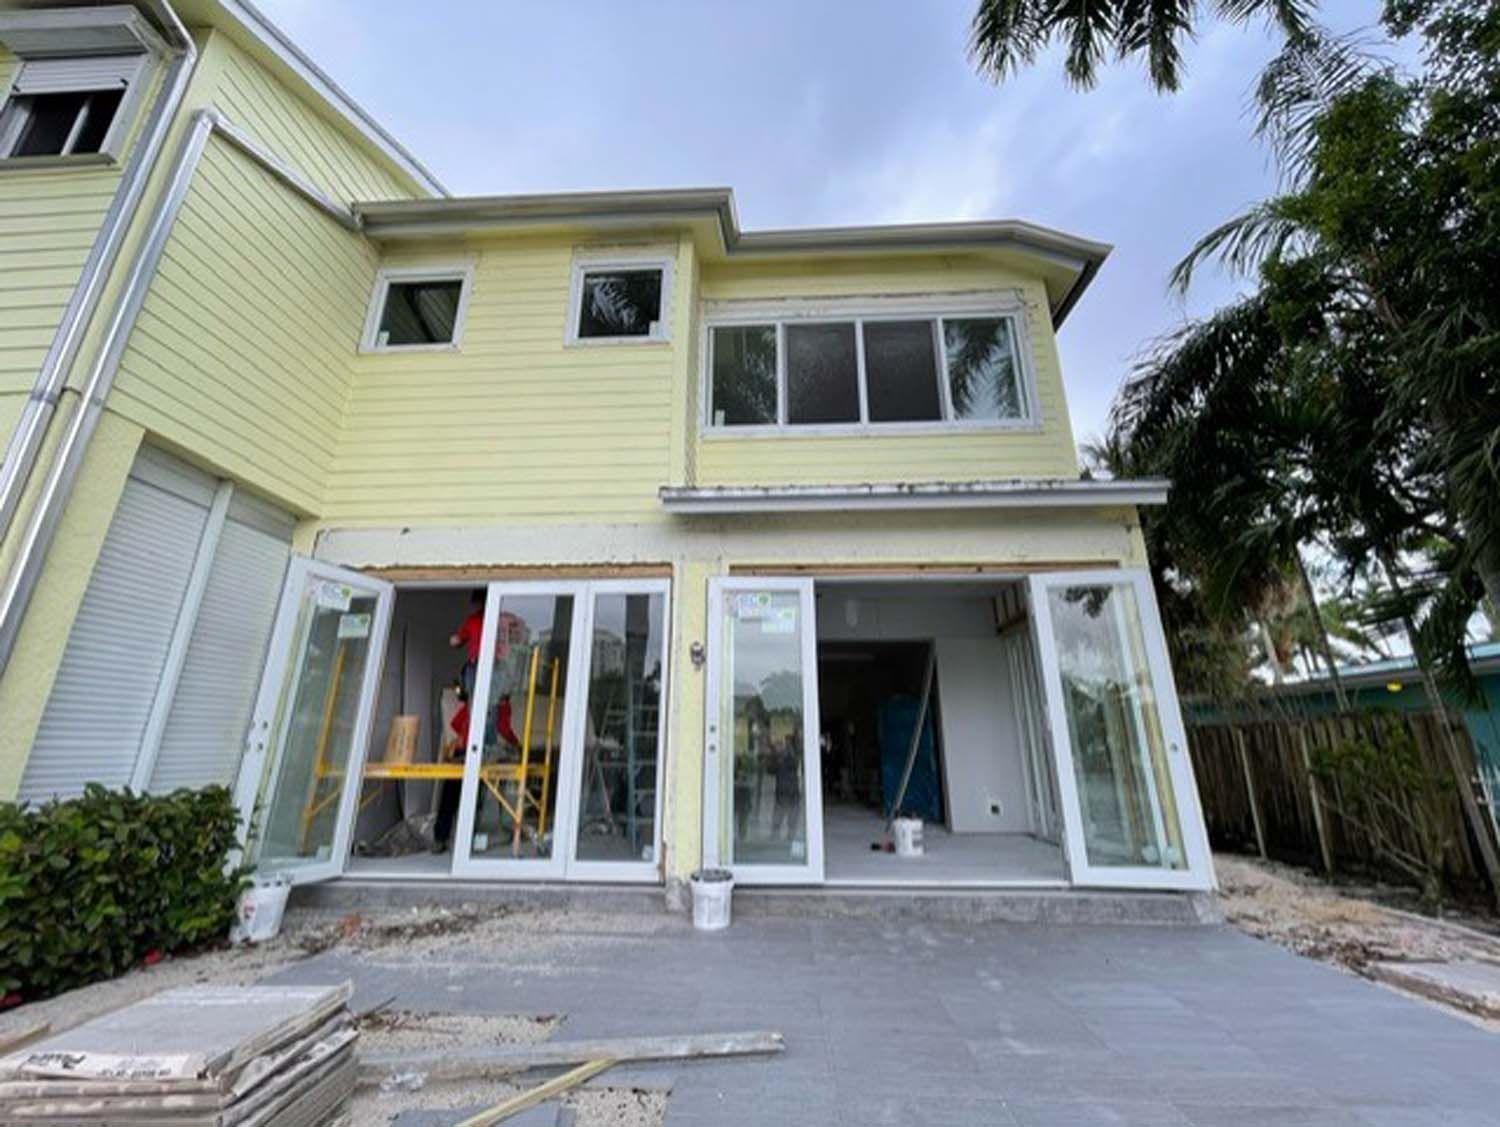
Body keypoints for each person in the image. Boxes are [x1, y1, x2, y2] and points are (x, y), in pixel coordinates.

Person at [450, 589, 486, 697]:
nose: (473, 605)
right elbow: (459, 639)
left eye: (474, 602)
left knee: (474, 695)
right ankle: (463, 693)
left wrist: (454, 640)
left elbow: (457, 641)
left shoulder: (474, 620)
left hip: (482, 664)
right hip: (477, 663)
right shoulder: (474, 620)